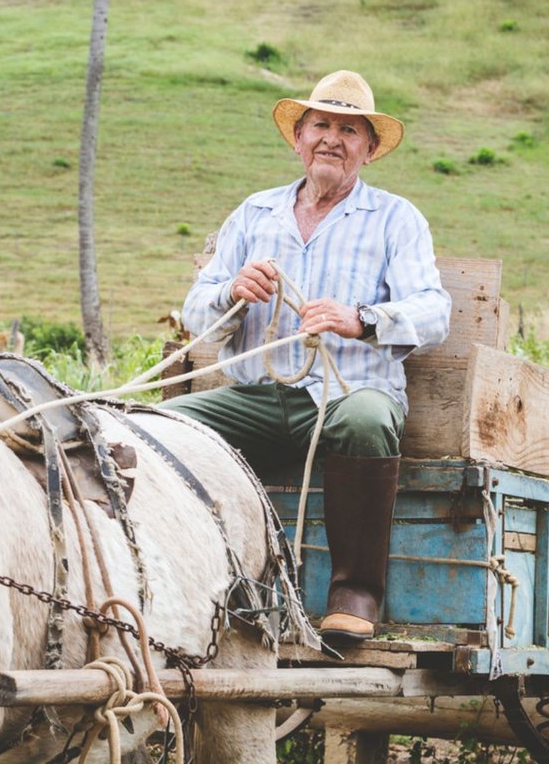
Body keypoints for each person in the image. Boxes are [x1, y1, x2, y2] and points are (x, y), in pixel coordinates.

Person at [162, 70, 451, 645]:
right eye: (320, 124)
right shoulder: (254, 214)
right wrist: (230, 293)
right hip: (259, 397)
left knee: (368, 419)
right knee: (165, 429)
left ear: (368, 150)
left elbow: (435, 311)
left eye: (350, 130)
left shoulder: (396, 218)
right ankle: (190, 584)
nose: (332, 139)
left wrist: (361, 319)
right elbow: (198, 314)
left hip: (348, 395)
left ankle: (355, 591)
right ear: (297, 138)